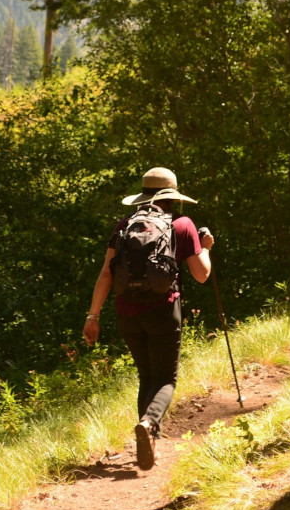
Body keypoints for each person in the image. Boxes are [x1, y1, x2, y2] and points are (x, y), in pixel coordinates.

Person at [83, 167, 214, 471]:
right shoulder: (182, 224)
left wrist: (93, 316)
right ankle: (149, 423)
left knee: (147, 376)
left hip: (127, 312)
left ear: (143, 196)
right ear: (171, 197)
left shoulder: (124, 225)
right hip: (163, 311)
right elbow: (202, 275)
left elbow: (106, 273)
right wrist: (205, 249)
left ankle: (148, 438)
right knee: (166, 379)